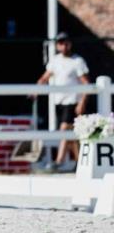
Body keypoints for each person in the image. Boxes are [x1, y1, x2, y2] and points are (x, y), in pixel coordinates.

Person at [36, 32, 90, 169]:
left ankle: (58, 161)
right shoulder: (55, 61)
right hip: (59, 102)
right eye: (61, 43)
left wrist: (82, 102)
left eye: (66, 43)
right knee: (72, 134)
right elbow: (45, 77)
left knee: (64, 129)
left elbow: (86, 83)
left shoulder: (77, 61)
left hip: (72, 101)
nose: (64, 46)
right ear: (57, 45)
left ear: (70, 44)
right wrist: (36, 90)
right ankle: (80, 163)